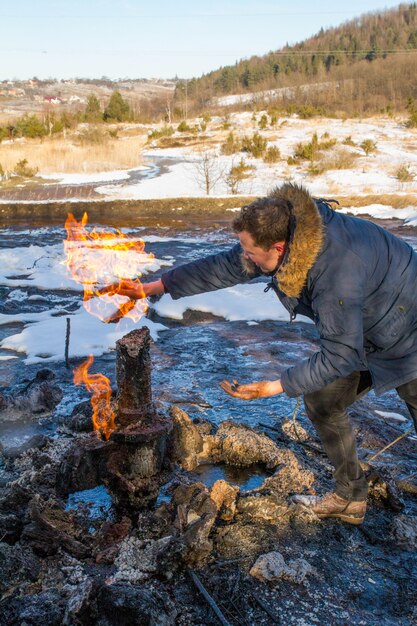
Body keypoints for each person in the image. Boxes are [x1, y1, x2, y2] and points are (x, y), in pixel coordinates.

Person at [117, 182, 417, 525]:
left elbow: (340, 355)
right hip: (364, 327)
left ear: (278, 247)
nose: (244, 255)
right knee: (321, 401)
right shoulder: (285, 237)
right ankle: (350, 496)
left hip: (409, 325)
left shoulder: (335, 270)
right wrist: (155, 286)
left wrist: (274, 386)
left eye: (250, 251)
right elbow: (227, 266)